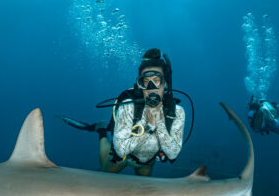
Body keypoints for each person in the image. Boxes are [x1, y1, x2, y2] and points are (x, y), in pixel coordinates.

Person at [59, 48, 185, 176]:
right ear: (139, 84)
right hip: (122, 159)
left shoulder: (176, 112)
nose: (151, 88)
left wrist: (159, 125)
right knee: (103, 177)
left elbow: (173, 153)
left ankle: (103, 130)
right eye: (145, 82)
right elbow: (121, 151)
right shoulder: (128, 107)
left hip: (147, 162)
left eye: (157, 80)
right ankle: (102, 130)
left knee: (143, 192)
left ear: (165, 83)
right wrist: (148, 127)